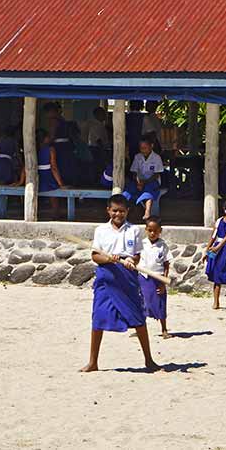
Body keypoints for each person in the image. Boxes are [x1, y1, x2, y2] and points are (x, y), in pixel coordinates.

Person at [80, 194, 159, 373]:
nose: (118, 214)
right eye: (114, 210)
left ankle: (149, 360)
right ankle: (93, 362)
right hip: (106, 277)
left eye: (122, 211)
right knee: (98, 318)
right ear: (108, 210)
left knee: (138, 317)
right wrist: (109, 259)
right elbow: (95, 256)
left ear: (127, 211)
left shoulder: (134, 230)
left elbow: (137, 255)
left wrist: (132, 260)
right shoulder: (101, 230)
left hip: (127, 276)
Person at [17, 129, 65, 219]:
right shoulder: (50, 149)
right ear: (45, 139)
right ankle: (55, 213)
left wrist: (21, 181)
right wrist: (60, 183)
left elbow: (25, 167)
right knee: (54, 194)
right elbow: (53, 167)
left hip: (35, 176)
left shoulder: (32, 149)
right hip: (47, 176)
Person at [139, 219, 171, 338]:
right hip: (143, 277)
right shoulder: (141, 244)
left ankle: (164, 329)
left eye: (155, 231)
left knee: (160, 303)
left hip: (158, 278)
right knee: (142, 303)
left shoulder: (163, 246)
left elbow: (166, 264)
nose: (152, 233)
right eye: (150, 230)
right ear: (146, 230)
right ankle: (140, 328)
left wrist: (163, 281)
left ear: (160, 231)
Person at [125, 137, 164, 218]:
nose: (143, 150)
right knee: (128, 191)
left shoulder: (156, 158)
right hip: (139, 181)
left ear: (151, 146)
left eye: (145, 148)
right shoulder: (137, 157)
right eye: (141, 148)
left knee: (149, 191)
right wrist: (138, 181)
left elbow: (156, 174)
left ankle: (147, 211)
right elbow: (134, 171)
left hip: (152, 181)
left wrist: (144, 182)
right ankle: (125, 211)